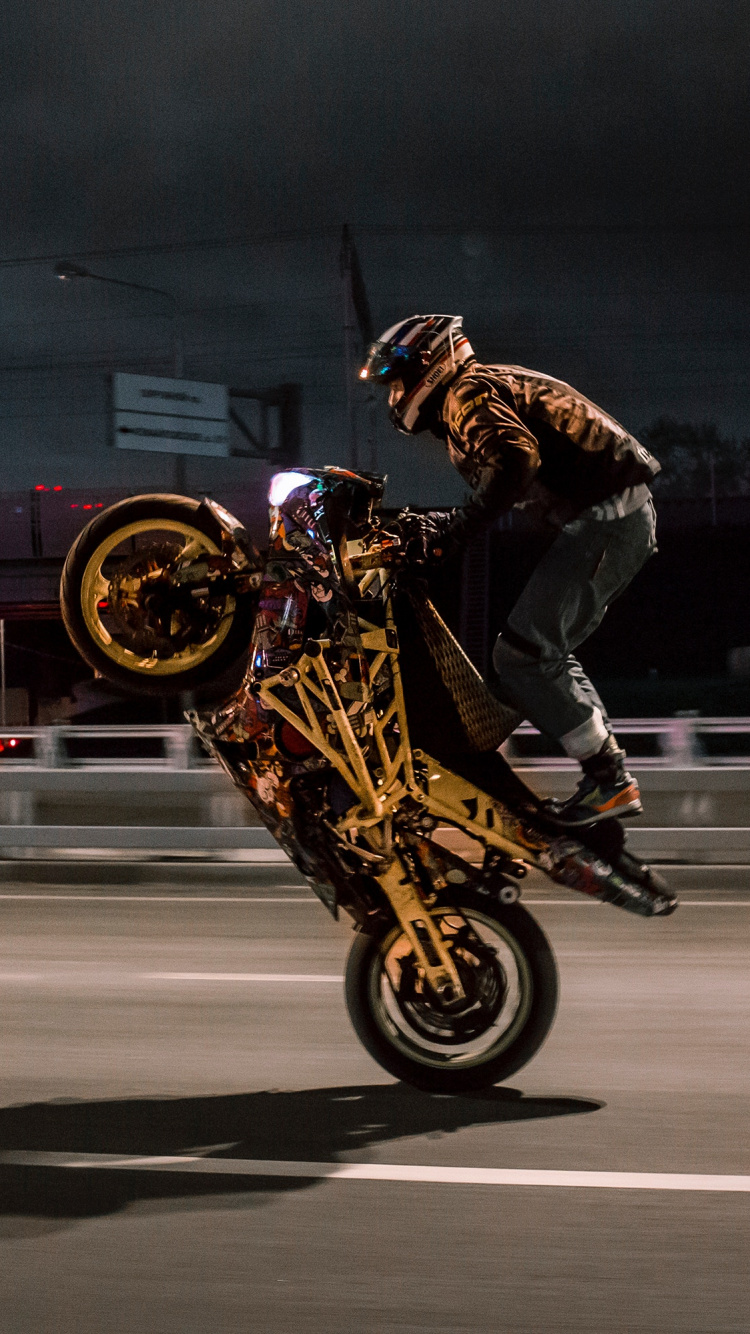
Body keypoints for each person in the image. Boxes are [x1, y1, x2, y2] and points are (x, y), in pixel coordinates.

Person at [360, 314, 661, 826]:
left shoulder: (467, 392)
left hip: (609, 518)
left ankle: (609, 781)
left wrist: (453, 534)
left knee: (523, 656)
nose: (396, 397)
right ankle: (607, 776)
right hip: (612, 516)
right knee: (538, 653)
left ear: (432, 363)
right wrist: (440, 525)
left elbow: (516, 462)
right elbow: (505, 479)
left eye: (399, 381)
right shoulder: (487, 386)